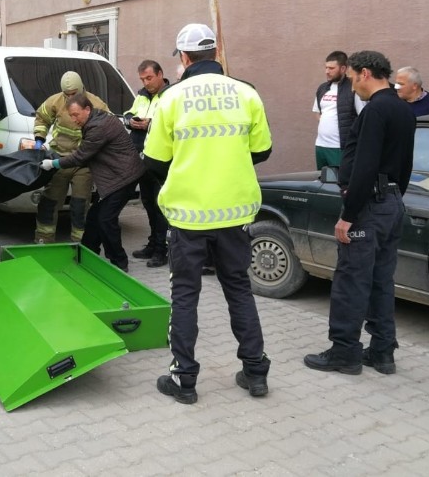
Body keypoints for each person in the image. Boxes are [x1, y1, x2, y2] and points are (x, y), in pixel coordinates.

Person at [145, 23, 273, 404]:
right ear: (216, 53)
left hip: (188, 216)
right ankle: (255, 372)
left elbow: (154, 161)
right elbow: (262, 151)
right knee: (239, 290)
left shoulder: (171, 98)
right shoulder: (246, 93)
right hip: (235, 214)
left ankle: (184, 379)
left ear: (183, 58)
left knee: (185, 295)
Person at [304, 50, 416, 376]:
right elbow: (406, 164)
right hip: (392, 202)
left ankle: (344, 352)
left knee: (351, 280)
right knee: (381, 280)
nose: (353, 87)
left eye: (352, 79)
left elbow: (364, 165)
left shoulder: (375, 110)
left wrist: (348, 215)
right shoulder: (402, 109)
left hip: (369, 206)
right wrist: (393, 198)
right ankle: (382, 352)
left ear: (365, 73)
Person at [41, 93, 144, 271]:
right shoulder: (96, 119)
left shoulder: (98, 127)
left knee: (105, 220)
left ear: (87, 109)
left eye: (76, 115)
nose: (73, 120)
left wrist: (53, 163)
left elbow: (81, 155)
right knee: (94, 217)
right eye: (71, 116)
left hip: (123, 178)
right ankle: (87, 255)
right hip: (116, 177)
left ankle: (119, 263)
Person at [33, 71, 109, 243]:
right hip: (59, 159)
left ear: (82, 89)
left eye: (74, 94)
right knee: (49, 202)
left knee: (80, 206)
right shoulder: (55, 101)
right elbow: (41, 118)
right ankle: (43, 240)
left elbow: (108, 127)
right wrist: (39, 139)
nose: (70, 98)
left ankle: (79, 244)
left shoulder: (96, 104)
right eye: (67, 95)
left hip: (83, 163)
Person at [125, 60, 170, 268]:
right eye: (143, 79)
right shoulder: (142, 95)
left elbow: (172, 122)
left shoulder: (171, 94)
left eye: (149, 78)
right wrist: (131, 121)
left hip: (161, 160)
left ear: (160, 74)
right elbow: (129, 113)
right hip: (141, 157)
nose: (146, 82)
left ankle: (162, 250)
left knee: (160, 206)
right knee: (148, 204)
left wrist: (150, 123)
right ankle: (153, 244)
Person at [314, 51, 367, 169]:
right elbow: (317, 112)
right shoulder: (323, 88)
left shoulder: (353, 88)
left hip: (341, 147)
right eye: (326, 67)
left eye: (331, 68)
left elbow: (363, 116)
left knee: (339, 182)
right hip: (321, 146)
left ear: (343, 68)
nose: (327, 71)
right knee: (321, 180)